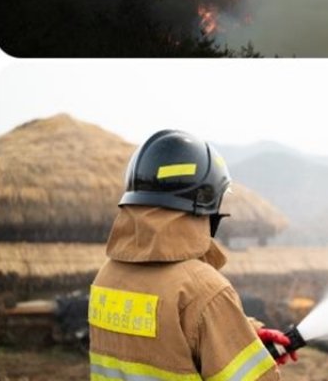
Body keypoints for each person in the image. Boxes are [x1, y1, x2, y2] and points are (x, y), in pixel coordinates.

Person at [89, 130, 297, 381]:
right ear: (204, 201)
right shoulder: (204, 290)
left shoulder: (106, 278)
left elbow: (162, 339)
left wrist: (244, 333)